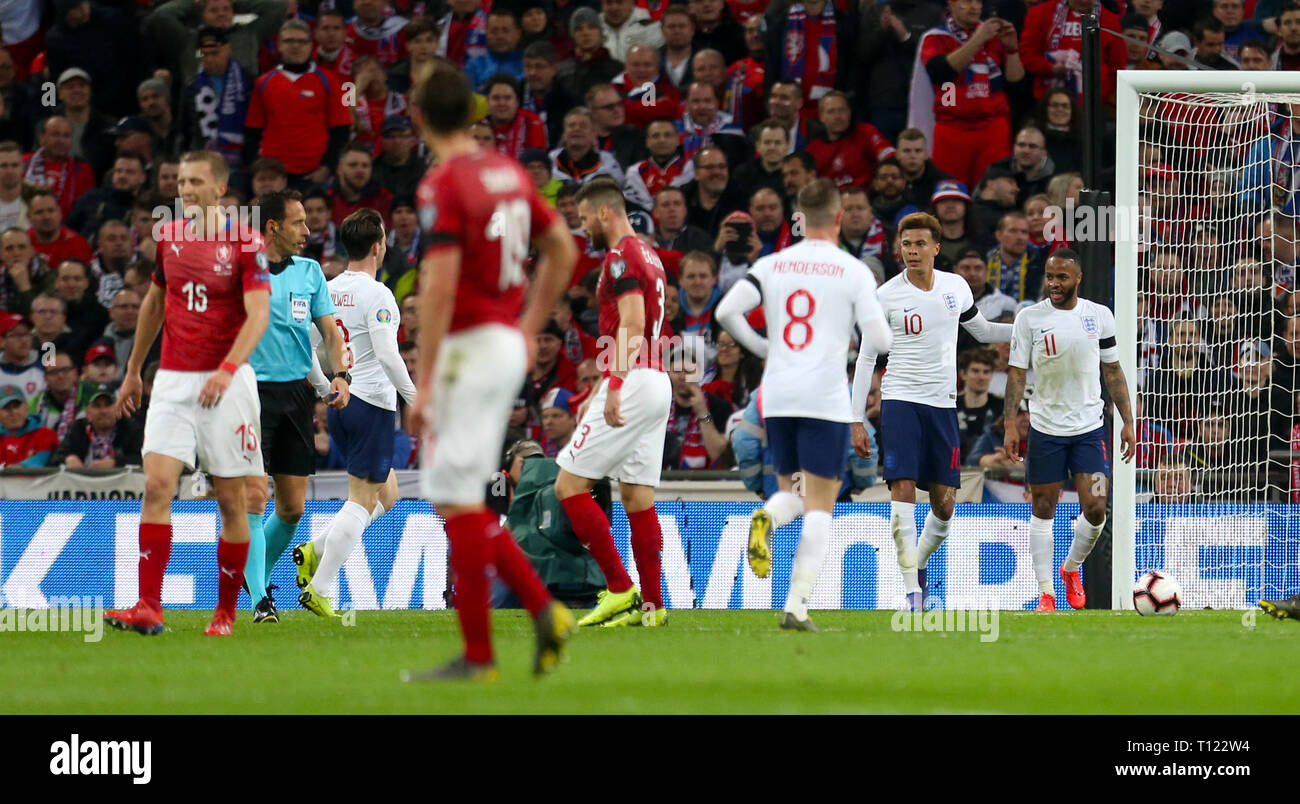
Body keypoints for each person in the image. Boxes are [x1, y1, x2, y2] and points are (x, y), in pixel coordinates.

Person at [406, 61, 579, 681]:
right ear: (474, 113)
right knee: (461, 501)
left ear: (418, 115)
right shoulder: (506, 171)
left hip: (469, 348)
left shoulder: (442, 185)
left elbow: (441, 286)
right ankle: (534, 617)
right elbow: (563, 247)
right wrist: (530, 326)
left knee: (454, 501)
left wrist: (423, 383)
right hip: (503, 341)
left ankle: (485, 652)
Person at [105, 149, 272, 638]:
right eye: (180, 182)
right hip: (174, 380)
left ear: (219, 189)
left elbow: (258, 314)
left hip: (228, 382)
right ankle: (148, 608)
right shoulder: (169, 236)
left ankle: (224, 614)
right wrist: (134, 369)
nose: (185, 190)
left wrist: (227, 368)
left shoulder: (246, 240)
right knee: (157, 485)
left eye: (196, 182)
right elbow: (157, 299)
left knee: (230, 501)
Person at [716, 178, 892, 631]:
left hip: (776, 395)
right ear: (837, 217)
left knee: (789, 492)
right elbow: (880, 338)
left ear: (799, 216)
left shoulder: (773, 264)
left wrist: (762, 349)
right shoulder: (852, 270)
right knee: (820, 503)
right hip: (824, 397)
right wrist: (853, 349)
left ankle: (766, 517)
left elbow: (725, 312)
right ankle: (796, 605)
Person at [849, 211, 1013, 611]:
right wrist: (856, 418)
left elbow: (983, 331)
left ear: (936, 248)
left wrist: (1031, 325)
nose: (912, 251)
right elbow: (867, 358)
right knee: (902, 487)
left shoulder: (956, 287)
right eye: (906, 244)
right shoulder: (885, 296)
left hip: (942, 406)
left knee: (943, 505)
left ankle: (917, 564)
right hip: (900, 401)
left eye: (921, 244)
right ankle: (911, 593)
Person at [551, 178, 673, 629]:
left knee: (568, 486)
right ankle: (653, 607)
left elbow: (634, 322)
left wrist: (615, 385)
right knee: (637, 497)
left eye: (584, 218)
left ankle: (621, 591)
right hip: (657, 380)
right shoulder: (651, 255)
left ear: (604, 212)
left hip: (636, 377)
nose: (583, 228)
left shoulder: (622, 254)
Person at [294, 209, 411, 619]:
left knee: (388, 493)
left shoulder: (326, 289)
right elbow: (386, 354)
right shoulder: (378, 294)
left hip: (341, 405)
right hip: (372, 403)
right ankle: (321, 587)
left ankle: (314, 549)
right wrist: (413, 396)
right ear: (379, 245)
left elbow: (305, 347)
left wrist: (326, 388)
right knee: (362, 500)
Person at [239, 190, 349, 624]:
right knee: (252, 497)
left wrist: (340, 375)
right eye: (298, 223)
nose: (308, 231)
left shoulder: (310, 272)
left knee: (291, 509)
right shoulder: (242, 271)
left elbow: (330, 333)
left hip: (298, 395)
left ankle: (254, 579)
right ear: (272, 227)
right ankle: (259, 599)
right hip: (249, 393)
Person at [1003, 250, 1135, 611]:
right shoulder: (1029, 319)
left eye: (1061, 277)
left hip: (1089, 429)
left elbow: (1112, 370)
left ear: (1078, 279)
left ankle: (1070, 569)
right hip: (1045, 429)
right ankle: (1046, 593)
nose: (1054, 284)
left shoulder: (1099, 316)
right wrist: (1010, 423)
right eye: (1049, 276)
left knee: (1095, 508)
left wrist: (1128, 420)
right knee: (1044, 507)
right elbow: (1016, 373)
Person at [908, 0, 1022, 189]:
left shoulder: (994, 37)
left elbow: (1016, 84)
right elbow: (942, 72)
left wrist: (1011, 49)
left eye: (977, 1)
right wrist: (977, 39)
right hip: (952, 126)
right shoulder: (936, 37)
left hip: (992, 126)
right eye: (967, 1)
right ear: (951, 5)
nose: (974, 7)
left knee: (992, 191)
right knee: (949, 191)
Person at [243, 20, 353, 188]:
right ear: (279, 45)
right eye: (289, 41)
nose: (296, 46)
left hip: (314, 175)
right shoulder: (263, 83)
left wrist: (327, 168)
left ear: (311, 45)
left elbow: (341, 130)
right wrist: (257, 168)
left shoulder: (329, 80)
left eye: (302, 41)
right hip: (274, 176)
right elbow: (253, 131)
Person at [53, 382, 143, 467]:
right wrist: (68, 458)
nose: (103, 411)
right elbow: (56, 458)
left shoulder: (130, 428)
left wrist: (115, 463)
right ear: (88, 412)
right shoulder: (78, 428)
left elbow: (142, 458)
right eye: (97, 406)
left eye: (108, 405)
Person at [0, 382, 58, 467]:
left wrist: (20, 467)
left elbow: (41, 460)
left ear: (27, 408)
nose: (13, 412)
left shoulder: (45, 434)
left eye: (17, 406)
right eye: (6, 408)